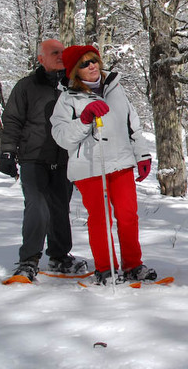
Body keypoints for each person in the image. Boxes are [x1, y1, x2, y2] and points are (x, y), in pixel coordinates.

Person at [50, 45, 155, 285]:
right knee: (100, 218)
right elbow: (62, 136)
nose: (92, 66)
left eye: (94, 60)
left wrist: (143, 155)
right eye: (85, 64)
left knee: (128, 216)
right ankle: (106, 268)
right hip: (89, 167)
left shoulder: (115, 88)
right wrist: (85, 119)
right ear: (75, 71)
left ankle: (133, 265)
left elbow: (133, 125)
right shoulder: (67, 98)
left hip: (121, 163)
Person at [0, 39, 86, 281]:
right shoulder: (26, 86)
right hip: (33, 157)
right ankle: (28, 261)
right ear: (41, 59)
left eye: (62, 52)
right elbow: (12, 120)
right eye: (54, 52)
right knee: (37, 206)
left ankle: (59, 256)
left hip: (63, 157)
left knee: (60, 208)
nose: (60, 56)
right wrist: (7, 152)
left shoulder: (72, 86)